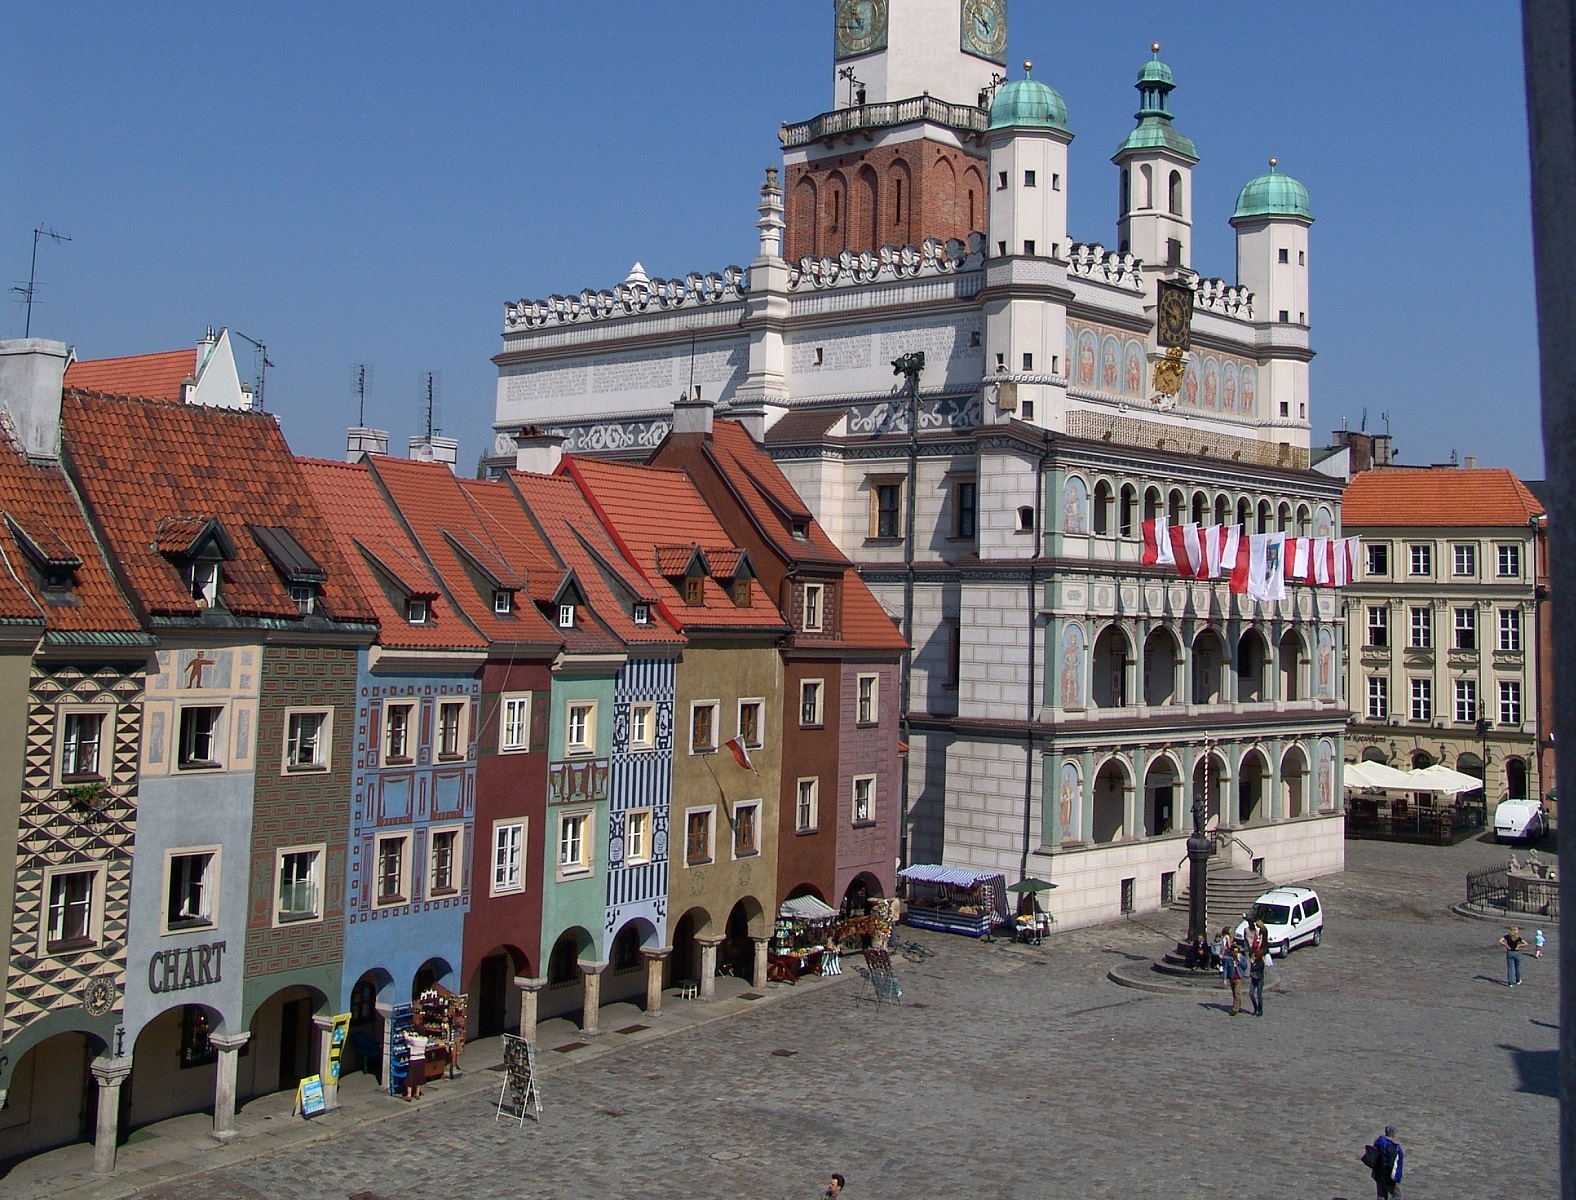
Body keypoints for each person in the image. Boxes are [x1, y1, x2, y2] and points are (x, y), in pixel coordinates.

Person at [1370, 1125, 1403, 1198]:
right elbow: (1394, 1166)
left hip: (1379, 1174)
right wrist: (1396, 1180)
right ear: (1393, 1135)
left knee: (1381, 1195)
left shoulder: (1379, 1143)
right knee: (1398, 1196)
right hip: (1389, 1177)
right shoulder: (1394, 1148)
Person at [403, 1029, 428, 1101]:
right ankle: (417, 1093)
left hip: (414, 1059)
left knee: (410, 1076)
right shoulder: (425, 1040)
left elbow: (407, 1037)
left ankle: (409, 1094)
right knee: (419, 1075)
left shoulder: (414, 1040)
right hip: (422, 1058)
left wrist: (405, 1032)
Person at [1222, 942, 1244, 1015]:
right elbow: (1225, 969)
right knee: (1235, 993)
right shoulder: (1229, 959)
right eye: (1234, 952)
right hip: (1232, 978)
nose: (1236, 953)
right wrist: (1225, 979)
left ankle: (1235, 1009)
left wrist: (1239, 962)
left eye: (1237, 952)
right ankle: (1238, 1005)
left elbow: (1245, 966)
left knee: (1237, 993)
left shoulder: (1241, 958)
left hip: (1238, 978)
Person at [1248, 945, 1268, 1016]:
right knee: (1251, 994)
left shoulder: (1261, 963)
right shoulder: (1255, 961)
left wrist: (1253, 963)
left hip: (1259, 980)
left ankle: (1260, 1010)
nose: (1255, 957)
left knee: (1259, 995)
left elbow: (1254, 968)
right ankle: (1255, 1008)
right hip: (1254, 979)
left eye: (1256, 956)